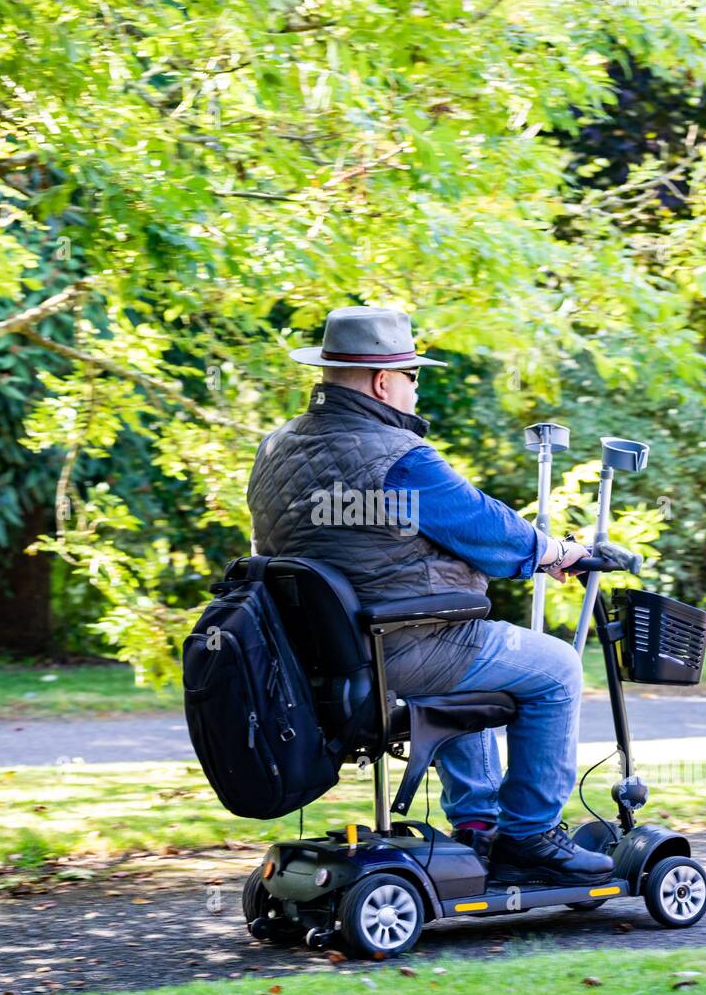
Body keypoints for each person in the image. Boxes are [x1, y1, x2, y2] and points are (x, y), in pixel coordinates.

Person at [246, 306, 614, 884]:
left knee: (477, 659)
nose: (416, 389)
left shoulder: (275, 450)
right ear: (383, 381)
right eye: (413, 375)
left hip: (310, 660)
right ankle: (530, 837)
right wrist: (556, 551)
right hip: (397, 646)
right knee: (557, 668)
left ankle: (475, 826)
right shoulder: (397, 458)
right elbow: (483, 527)